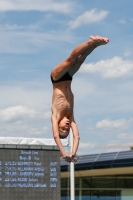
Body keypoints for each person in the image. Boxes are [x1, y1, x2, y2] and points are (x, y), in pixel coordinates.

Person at [51, 35, 109, 162]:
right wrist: (73, 154)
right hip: (68, 78)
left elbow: (56, 136)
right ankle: (95, 44)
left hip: (57, 77)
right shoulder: (71, 118)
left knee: (71, 60)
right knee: (81, 60)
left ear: (58, 125)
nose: (66, 127)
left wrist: (63, 152)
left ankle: (90, 42)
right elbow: (77, 136)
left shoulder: (55, 116)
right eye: (67, 130)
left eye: (63, 128)